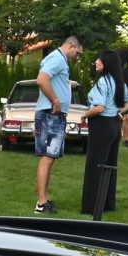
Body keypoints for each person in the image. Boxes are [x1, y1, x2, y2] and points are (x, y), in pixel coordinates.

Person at [33, 35, 83, 214]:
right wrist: (55, 100)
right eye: (78, 52)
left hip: (52, 115)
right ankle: (41, 203)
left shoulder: (58, 59)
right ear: (71, 46)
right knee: (47, 158)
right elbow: (42, 79)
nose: (78, 56)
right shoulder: (57, 59)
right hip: (50, 114)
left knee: (49, 158)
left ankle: (43, 201)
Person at [81, 49, 128, 215]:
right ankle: (108, 204)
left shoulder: (103, 82)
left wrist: (84, 115)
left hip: (101, 126)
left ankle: (91, 207)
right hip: (114, 127)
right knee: (109, 166)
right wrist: (117, 112)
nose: (96, 61)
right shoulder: (119, 81)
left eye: (99, 59)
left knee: (95, 167)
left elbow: (99, 107)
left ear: (106, 63)